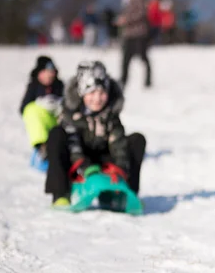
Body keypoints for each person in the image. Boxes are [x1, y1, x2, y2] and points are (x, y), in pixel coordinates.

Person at [45, 61, 146, 207]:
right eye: (92, 93)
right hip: (77, 163)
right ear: (82, 93)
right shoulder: (71, 113)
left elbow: (118, 142)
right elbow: (73, 144)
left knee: (137, 140)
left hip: (103, 162)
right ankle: (60, 194)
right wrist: (84, 166)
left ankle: (125, 194)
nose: (97, 98)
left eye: (102, 93)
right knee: (56, 135)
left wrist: (119, 168)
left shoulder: (110, 113)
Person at [19, 56, 64, 164]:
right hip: (41, 123)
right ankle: (42, 147)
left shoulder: (59, 85)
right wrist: (40, 104)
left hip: (56, 120)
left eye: (51, 72)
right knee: (30, 110)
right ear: (40, 73)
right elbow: (23, 108)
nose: (49, 75)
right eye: (46, 72)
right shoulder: (34, 87)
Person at [116, 0, 151, 89]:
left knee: (143, 57)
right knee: (125, 58)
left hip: (139, 33)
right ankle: (123, 80)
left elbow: (141, 13)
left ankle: (148, 82)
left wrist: (126, 19)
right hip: (128, 33)